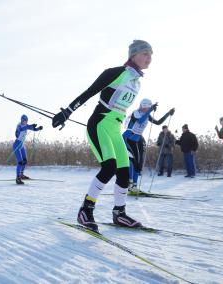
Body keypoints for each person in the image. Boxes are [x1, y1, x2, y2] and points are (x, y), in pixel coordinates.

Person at [52, 39, 153, 231]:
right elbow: (89, 92)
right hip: (99, 124)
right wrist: (67, 112)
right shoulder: (116, 73)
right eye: (145, 54)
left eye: (151, 54)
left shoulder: (136, 82)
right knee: (109, 167)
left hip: (115, 129)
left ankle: (119, 213)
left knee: (124, 170)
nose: (149, 58)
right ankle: (85, 210)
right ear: (134, 55)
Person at [123, 99, 174, 190]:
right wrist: (150, 110)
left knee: (138, 164)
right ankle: (129, 182)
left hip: (136, 140)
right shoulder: (136, 113)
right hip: (127, 139)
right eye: (144, 107)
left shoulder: (147, 115)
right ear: (141, 106)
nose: (145, 109)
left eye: (147, 108)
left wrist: (168, 113)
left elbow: (158, 122)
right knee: (132, 161)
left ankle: (134, 185)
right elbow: (140, 121)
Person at [13, 114, 43, 185]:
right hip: (17, 145)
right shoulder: (19, 126)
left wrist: (38, 128)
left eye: (26, 121)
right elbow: (22, 129)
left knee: (25, 161)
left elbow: (33, 129)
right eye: (24, 120)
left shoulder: (26, 125)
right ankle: (18, 178)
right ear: (21, 120)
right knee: (20, 162)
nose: (25, 122)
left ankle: (22, 175)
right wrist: (30, 126)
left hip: (21, 145)